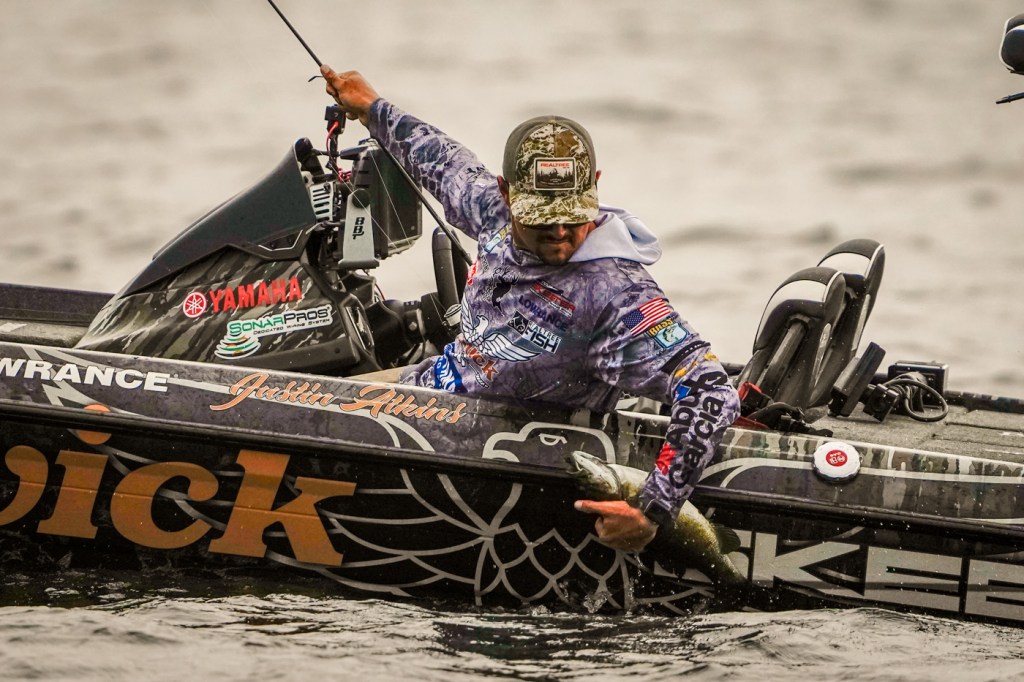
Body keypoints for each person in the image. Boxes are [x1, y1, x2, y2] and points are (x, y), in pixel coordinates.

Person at [320, 64, 740, 554]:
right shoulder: (494, 213)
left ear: (595, 186)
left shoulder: (616, 294)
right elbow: (444, 162)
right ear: (507, 194)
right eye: (542, 220)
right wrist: (373, 108)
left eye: (571, 218)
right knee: (301, 395)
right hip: (429, 393)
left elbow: (711, 390)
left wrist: (652, 510)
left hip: (493, 457)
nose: (559, 233)